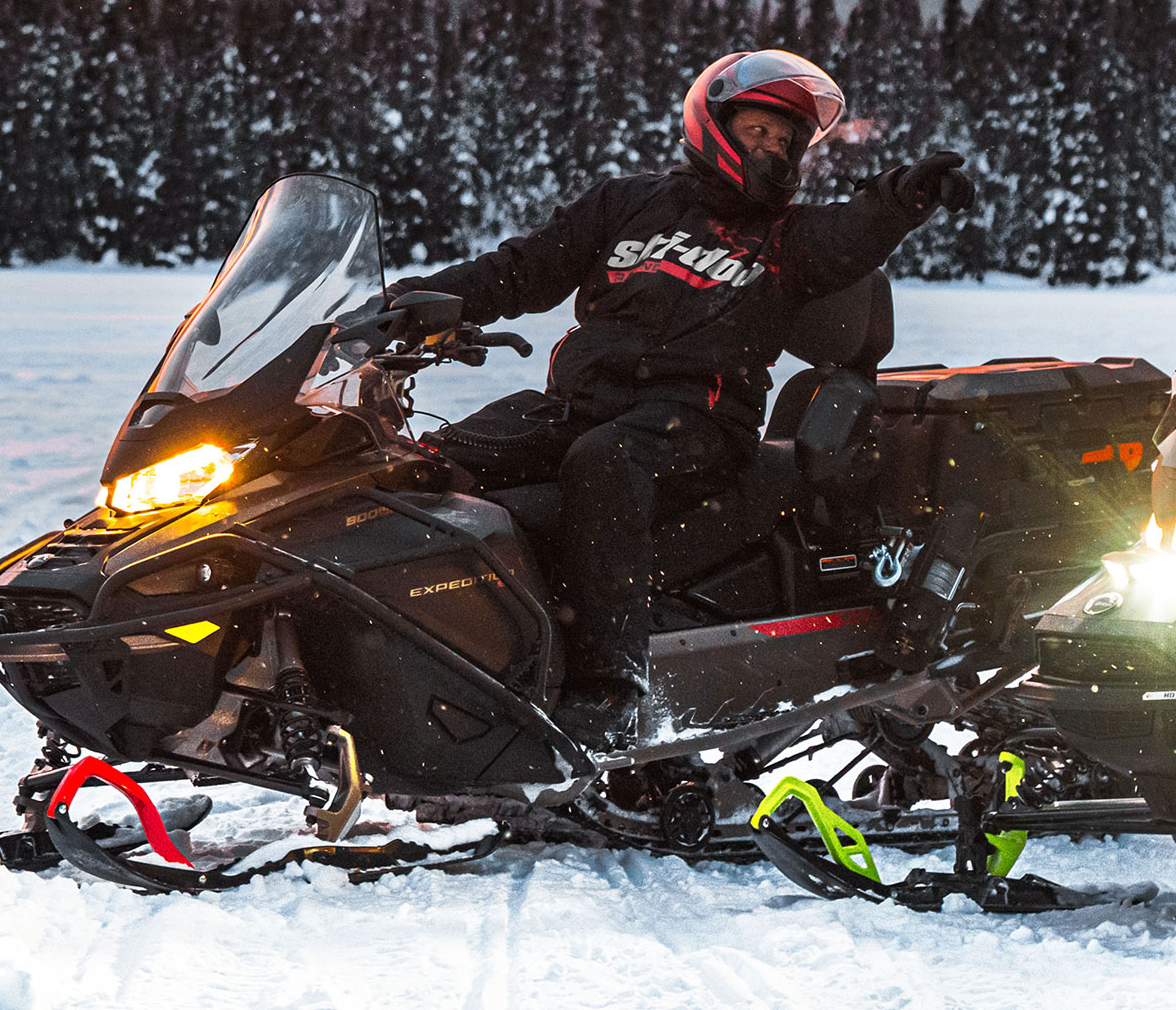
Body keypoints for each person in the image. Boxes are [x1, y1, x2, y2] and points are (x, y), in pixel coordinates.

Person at [386, 49, 972, 719]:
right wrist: (411, 302)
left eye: (786, 140)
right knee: (427, 462)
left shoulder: (785, 237)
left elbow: (849, 234)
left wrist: (900, 198)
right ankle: (439, 656)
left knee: (606, 462)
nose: (773, 149)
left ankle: (612, 688)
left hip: (700, 423)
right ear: (714, 123)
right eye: (760, 131)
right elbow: (520, 269)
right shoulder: (625, 204)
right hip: (580, 407)